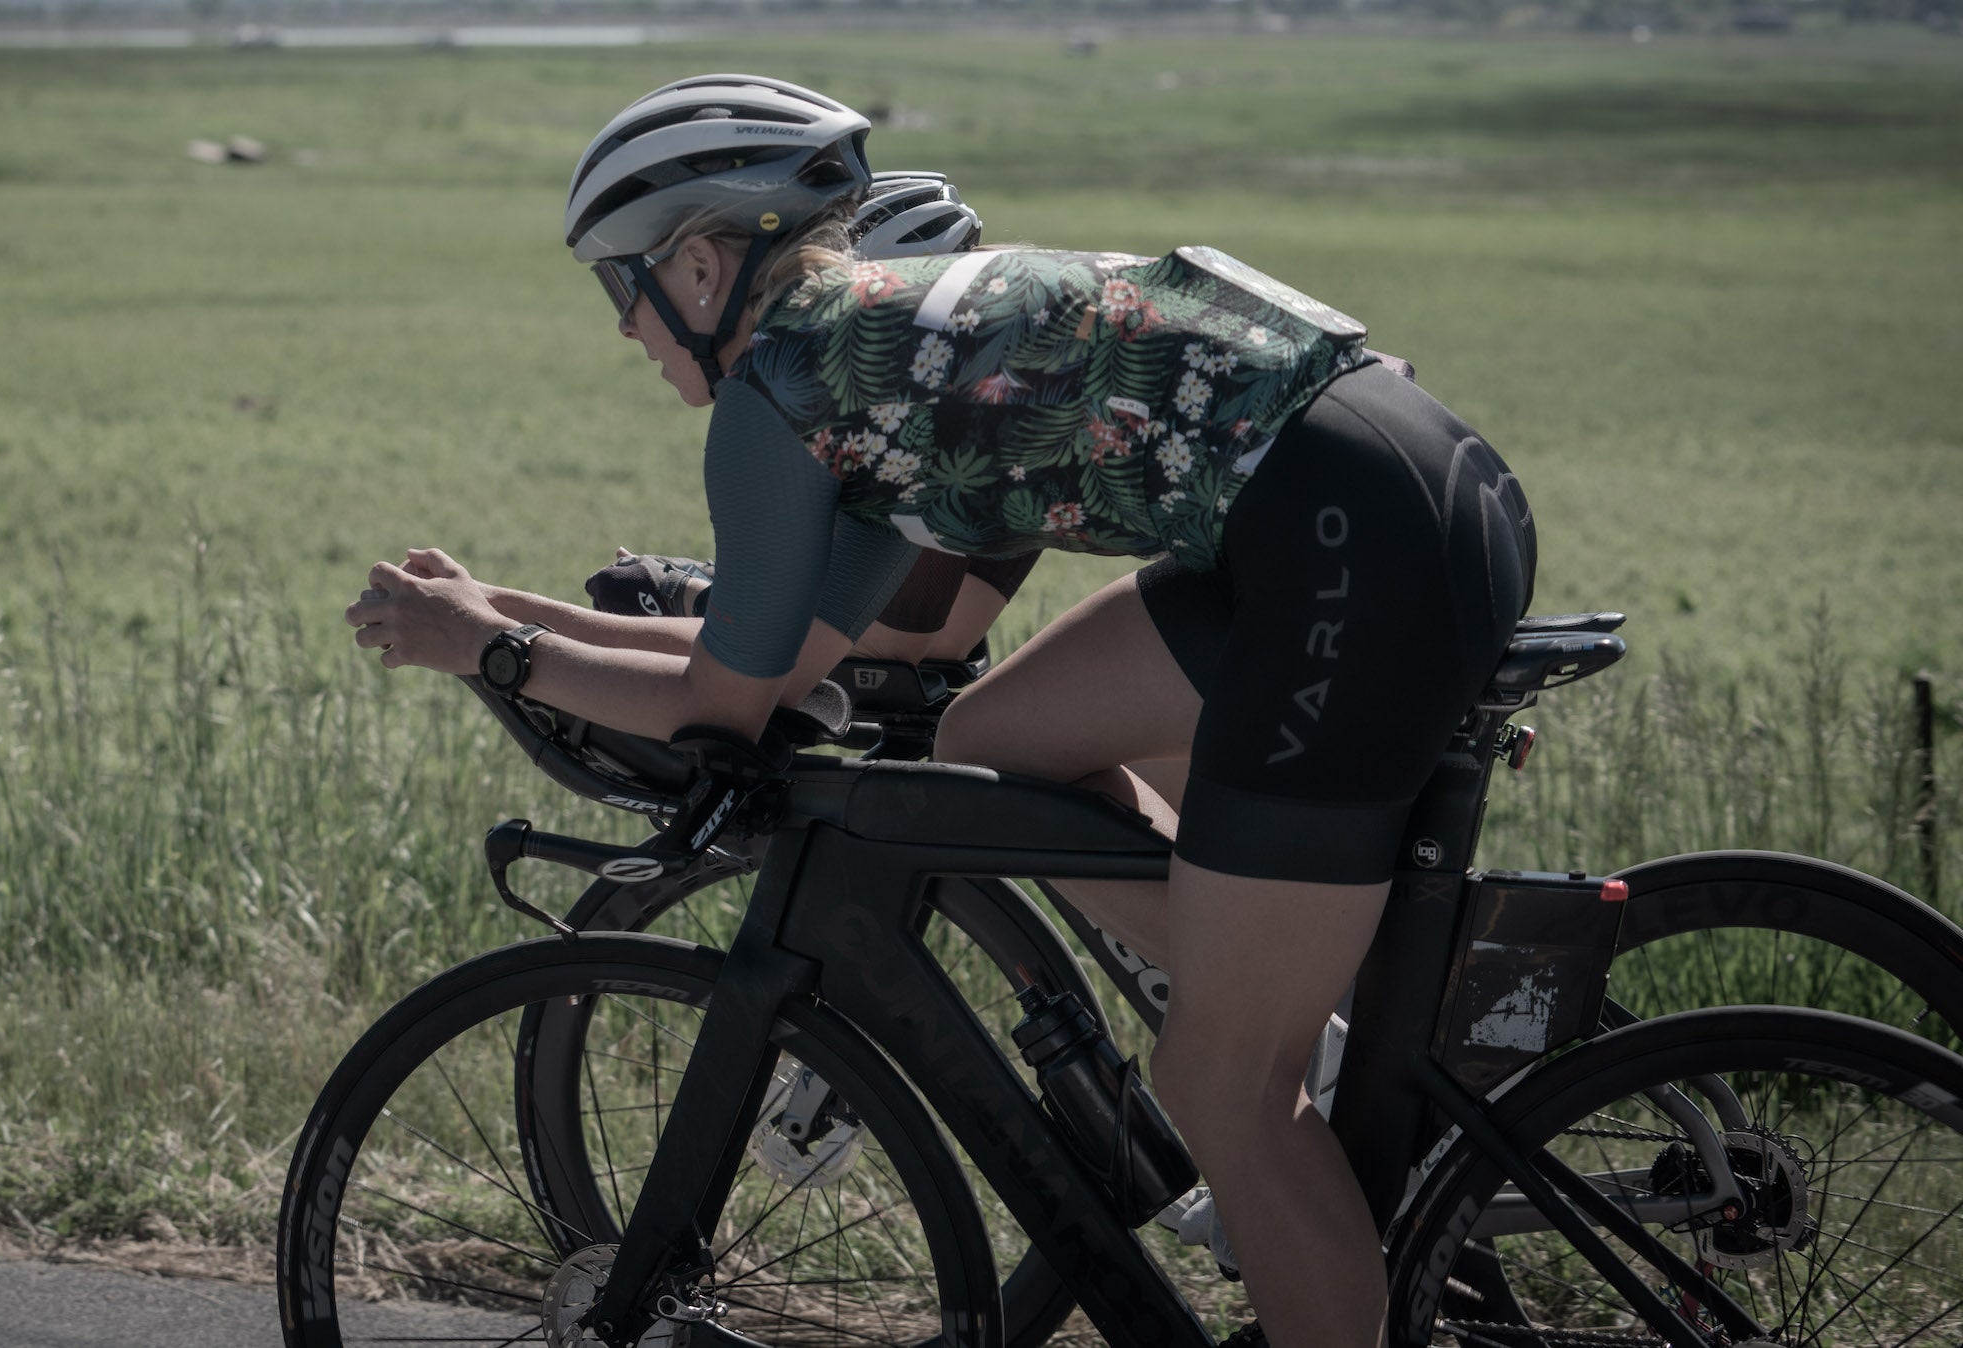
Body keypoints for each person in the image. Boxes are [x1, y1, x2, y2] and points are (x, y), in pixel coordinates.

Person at [344, 74, 1536, 1348]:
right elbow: (779, 663)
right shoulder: (856, 356)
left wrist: (496, 654)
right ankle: (1276, 992)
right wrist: (505, 615)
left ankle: (1277, 1037)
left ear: (696, 267)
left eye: (617, 287)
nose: (625, 326)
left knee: (1221, 1081)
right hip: (1377, 485)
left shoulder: (776, 391)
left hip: (1348, 543)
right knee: (993, 746)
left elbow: (717, 707)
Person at [586, 169, 1038, 666]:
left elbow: (884, 650)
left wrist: (676, 591)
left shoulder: (911, 409)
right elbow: (946, 641)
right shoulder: (997, 370)